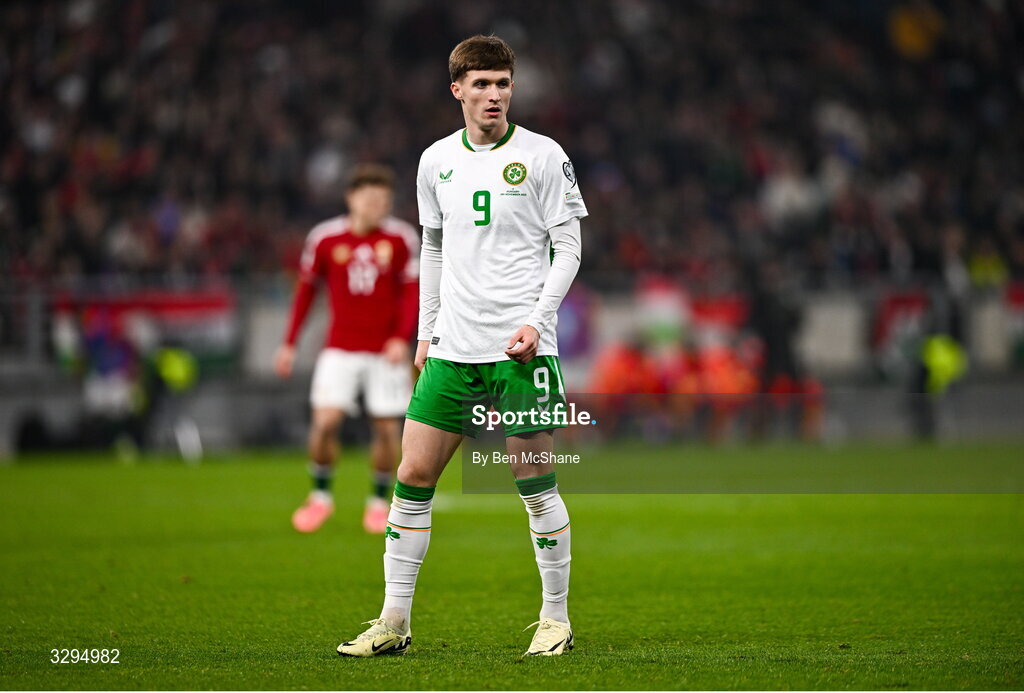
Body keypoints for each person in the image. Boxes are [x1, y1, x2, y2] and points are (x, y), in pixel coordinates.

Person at [336, 35, 586, 658]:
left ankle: (555, 617)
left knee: (535, 482)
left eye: (502, 83)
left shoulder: (544, 156)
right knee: (413, 472)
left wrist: (537, 320)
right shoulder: (434, 161)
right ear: (457, 90)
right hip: (452, 346)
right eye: (481, 84)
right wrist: (426, 331)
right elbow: (435, 249)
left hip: (522, 350)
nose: (494, 94)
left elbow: (570, 248)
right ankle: (394, 621)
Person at [275, 164, 419, 534]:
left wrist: (400, 338)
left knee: (387, 430)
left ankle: (376, 503)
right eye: (370, 198)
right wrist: (289, 343)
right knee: (325, 423)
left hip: (384, 352)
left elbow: (411, 293)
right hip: (339, 348)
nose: (377, 206)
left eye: (384, 200)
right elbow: (306, 291)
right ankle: (320, 497)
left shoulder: (401, 239)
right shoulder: (325, 238)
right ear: (351, 198)